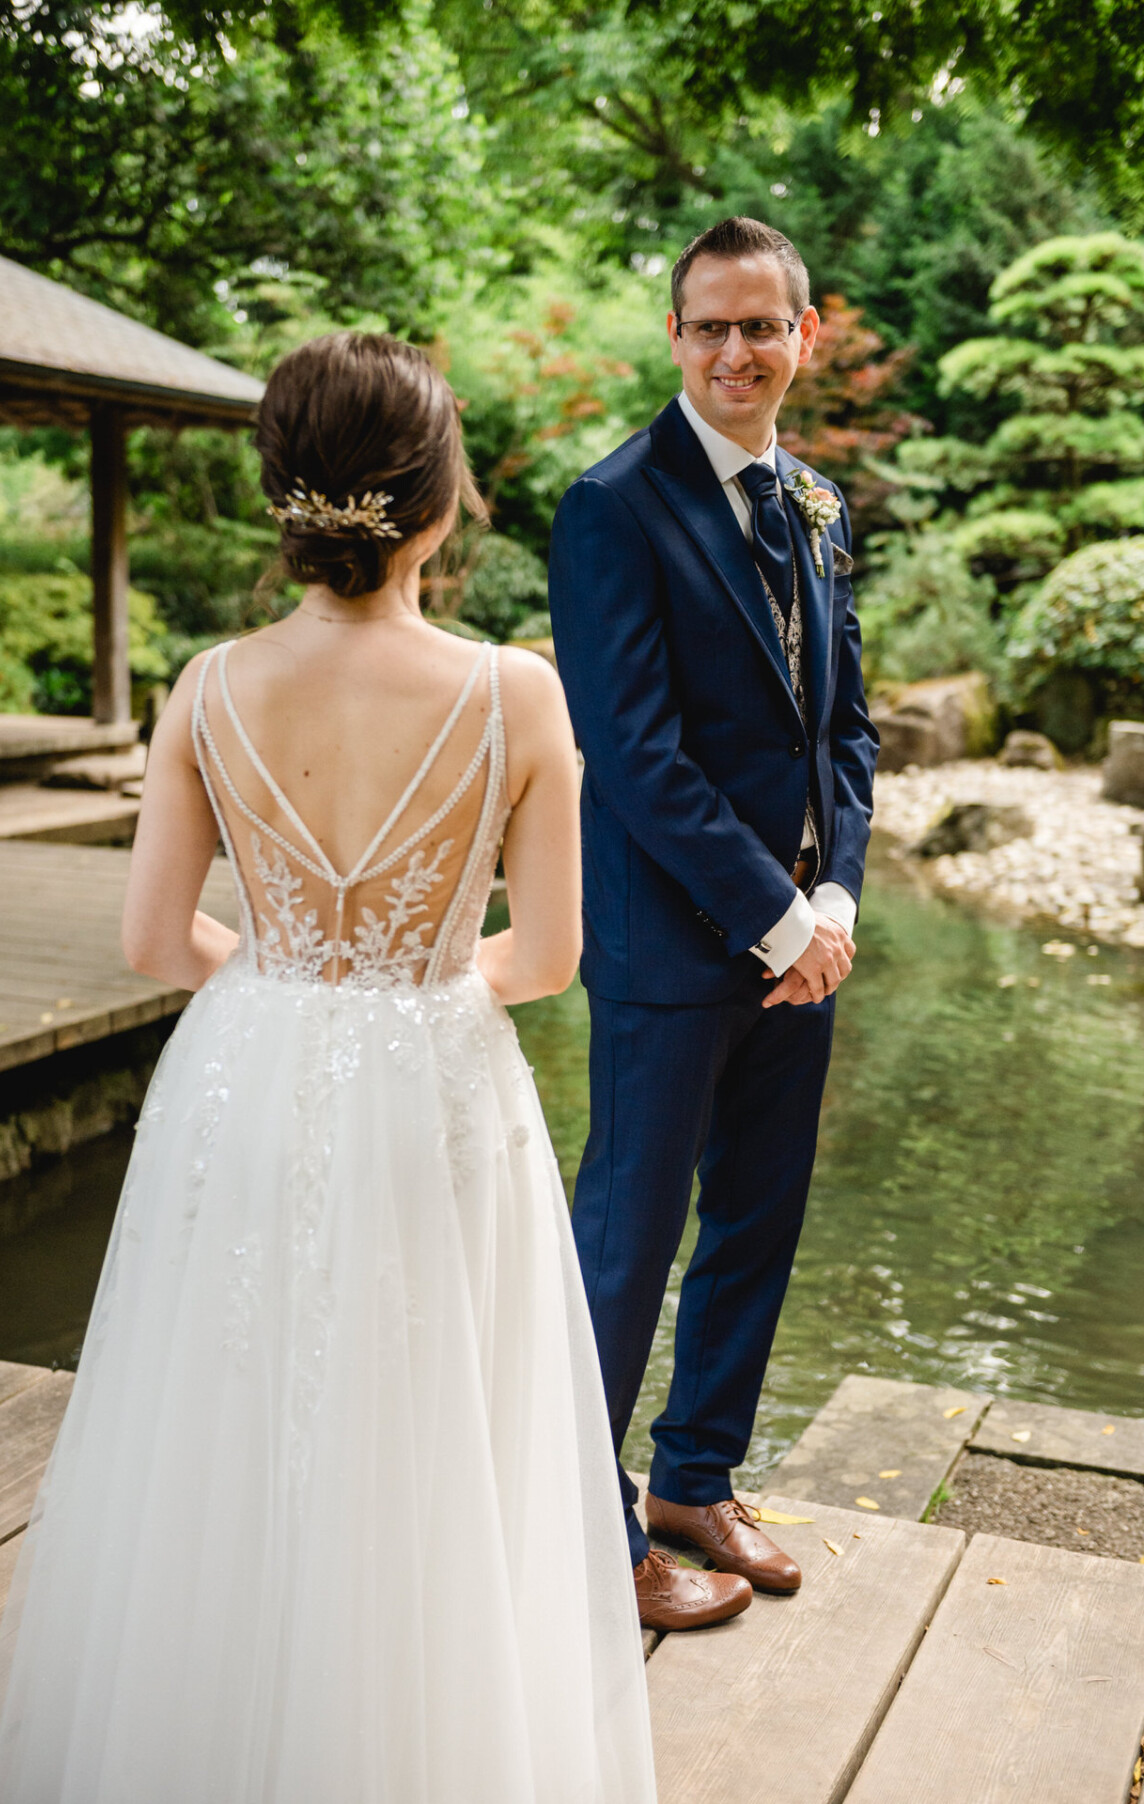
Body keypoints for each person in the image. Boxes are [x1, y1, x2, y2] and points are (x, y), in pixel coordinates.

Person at [0, 333, 656, 1803]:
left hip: (251, 1077)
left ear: (285, 496)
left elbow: (156, 939)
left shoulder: (208, 691)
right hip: (439, 1093)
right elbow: (544, 959)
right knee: (433, 1424)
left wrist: (298, 995)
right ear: (443, 502)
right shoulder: (516, 698)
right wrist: (401, 999)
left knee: (223, 1409)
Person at [549, 217, 880, 1633]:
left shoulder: (817, 501)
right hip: (673, 948)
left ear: (805, 335)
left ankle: (695, 1481)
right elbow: (634, 755)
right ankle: (581, 1531)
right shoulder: (612, 505)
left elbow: (845, 733)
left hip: (804, 947)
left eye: (763, 326)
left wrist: (838, 894)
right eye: (709, 327)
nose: (736, 352)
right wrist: (769, 916)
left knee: (757, 1219)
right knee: (628, 1240)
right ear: (674, 338)